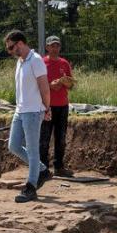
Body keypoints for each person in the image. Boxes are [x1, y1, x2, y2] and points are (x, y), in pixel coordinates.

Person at [4, 30, 52, 203]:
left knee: (32, 150)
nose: (10, 51)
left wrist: (47, 108)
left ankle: (31, 187)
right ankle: (42, 170)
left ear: (20, 44)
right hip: (20, 110)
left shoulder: (36, 60)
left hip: (33, 111)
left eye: (11, 47)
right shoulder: (20, 61)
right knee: (14, 146)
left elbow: (44, 87)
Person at [40, 35, 75, 177]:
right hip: (47, 106)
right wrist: (50, 85)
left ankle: (59, 167)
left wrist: (67, 83)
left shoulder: (64, 63)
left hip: (62, 106)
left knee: (61, 137)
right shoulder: (41, 63)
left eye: (57, 46)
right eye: (52, 46)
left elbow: (71, 85)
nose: (55, 48)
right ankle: (43, 169)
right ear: (47, 47)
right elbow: (37, 85)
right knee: (44, 138)